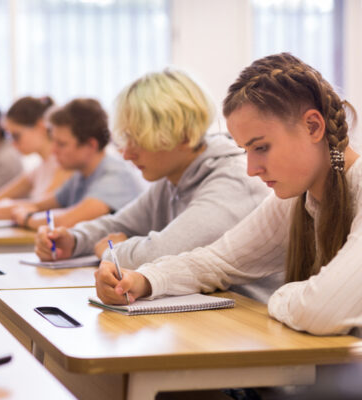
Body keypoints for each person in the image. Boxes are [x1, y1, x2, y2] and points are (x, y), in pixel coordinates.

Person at [95, 53, 362, 337]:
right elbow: (218, 261)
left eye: (261, 147)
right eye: (246, 151)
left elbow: (319, 311)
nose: (251, 170)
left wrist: (282, 296)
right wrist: (143, 280)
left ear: (313, 126)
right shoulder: (300, 198)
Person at [35, 69, 276, 302]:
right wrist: (74, 240)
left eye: (139, 140)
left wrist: (109, 251)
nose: (127, 154)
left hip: (253, 324)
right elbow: (118, 223)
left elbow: (161, 254)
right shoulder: (172, 178)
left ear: (182, 135)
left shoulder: (233, 180)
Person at [9, 98, 143, 230]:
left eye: (61, 144)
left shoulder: (116, 176)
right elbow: (39, 205)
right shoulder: (80, 175)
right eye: (54, 142)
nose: (53, 150)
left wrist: (28, 218)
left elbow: (67, 220)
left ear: (91, 145)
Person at [0, 96, 71, 224]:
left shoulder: (65, 165)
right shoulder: (40, 168)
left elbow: (40, 206)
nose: (13, 144)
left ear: (40, 127)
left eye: (16, 136)